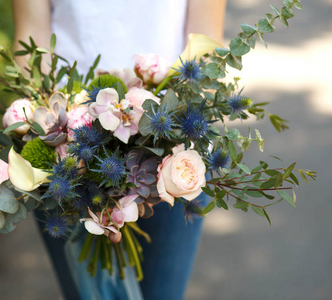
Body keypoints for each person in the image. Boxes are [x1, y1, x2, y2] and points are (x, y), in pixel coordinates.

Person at [12, 1, 226, 299]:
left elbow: (206, 45)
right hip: (67, 151)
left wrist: (169, 139)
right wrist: (49, 133)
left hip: (173, 149)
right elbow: (32, 36)